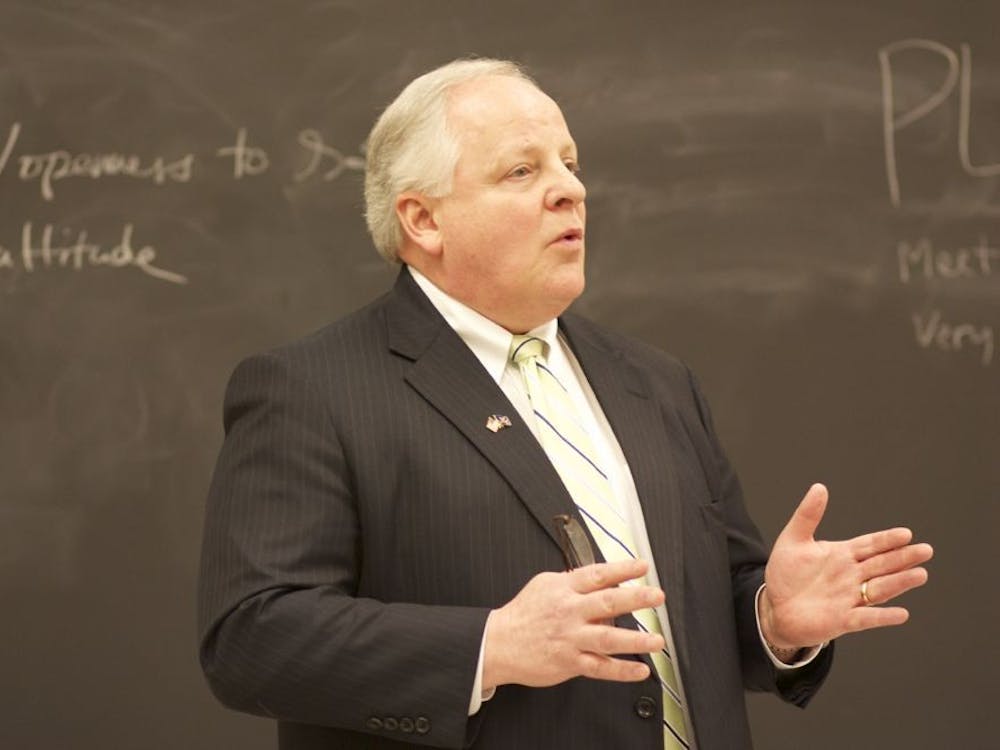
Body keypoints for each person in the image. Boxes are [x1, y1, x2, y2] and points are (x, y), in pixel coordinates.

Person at [197, 58, 933, 750]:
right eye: (523, 170)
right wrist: (490, 647)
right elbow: (252, 638)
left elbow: (708, 616)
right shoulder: (313, 389)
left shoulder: (656, 381)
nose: (570, 189)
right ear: (423, 221)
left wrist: (771, 619)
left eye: (571, 165)